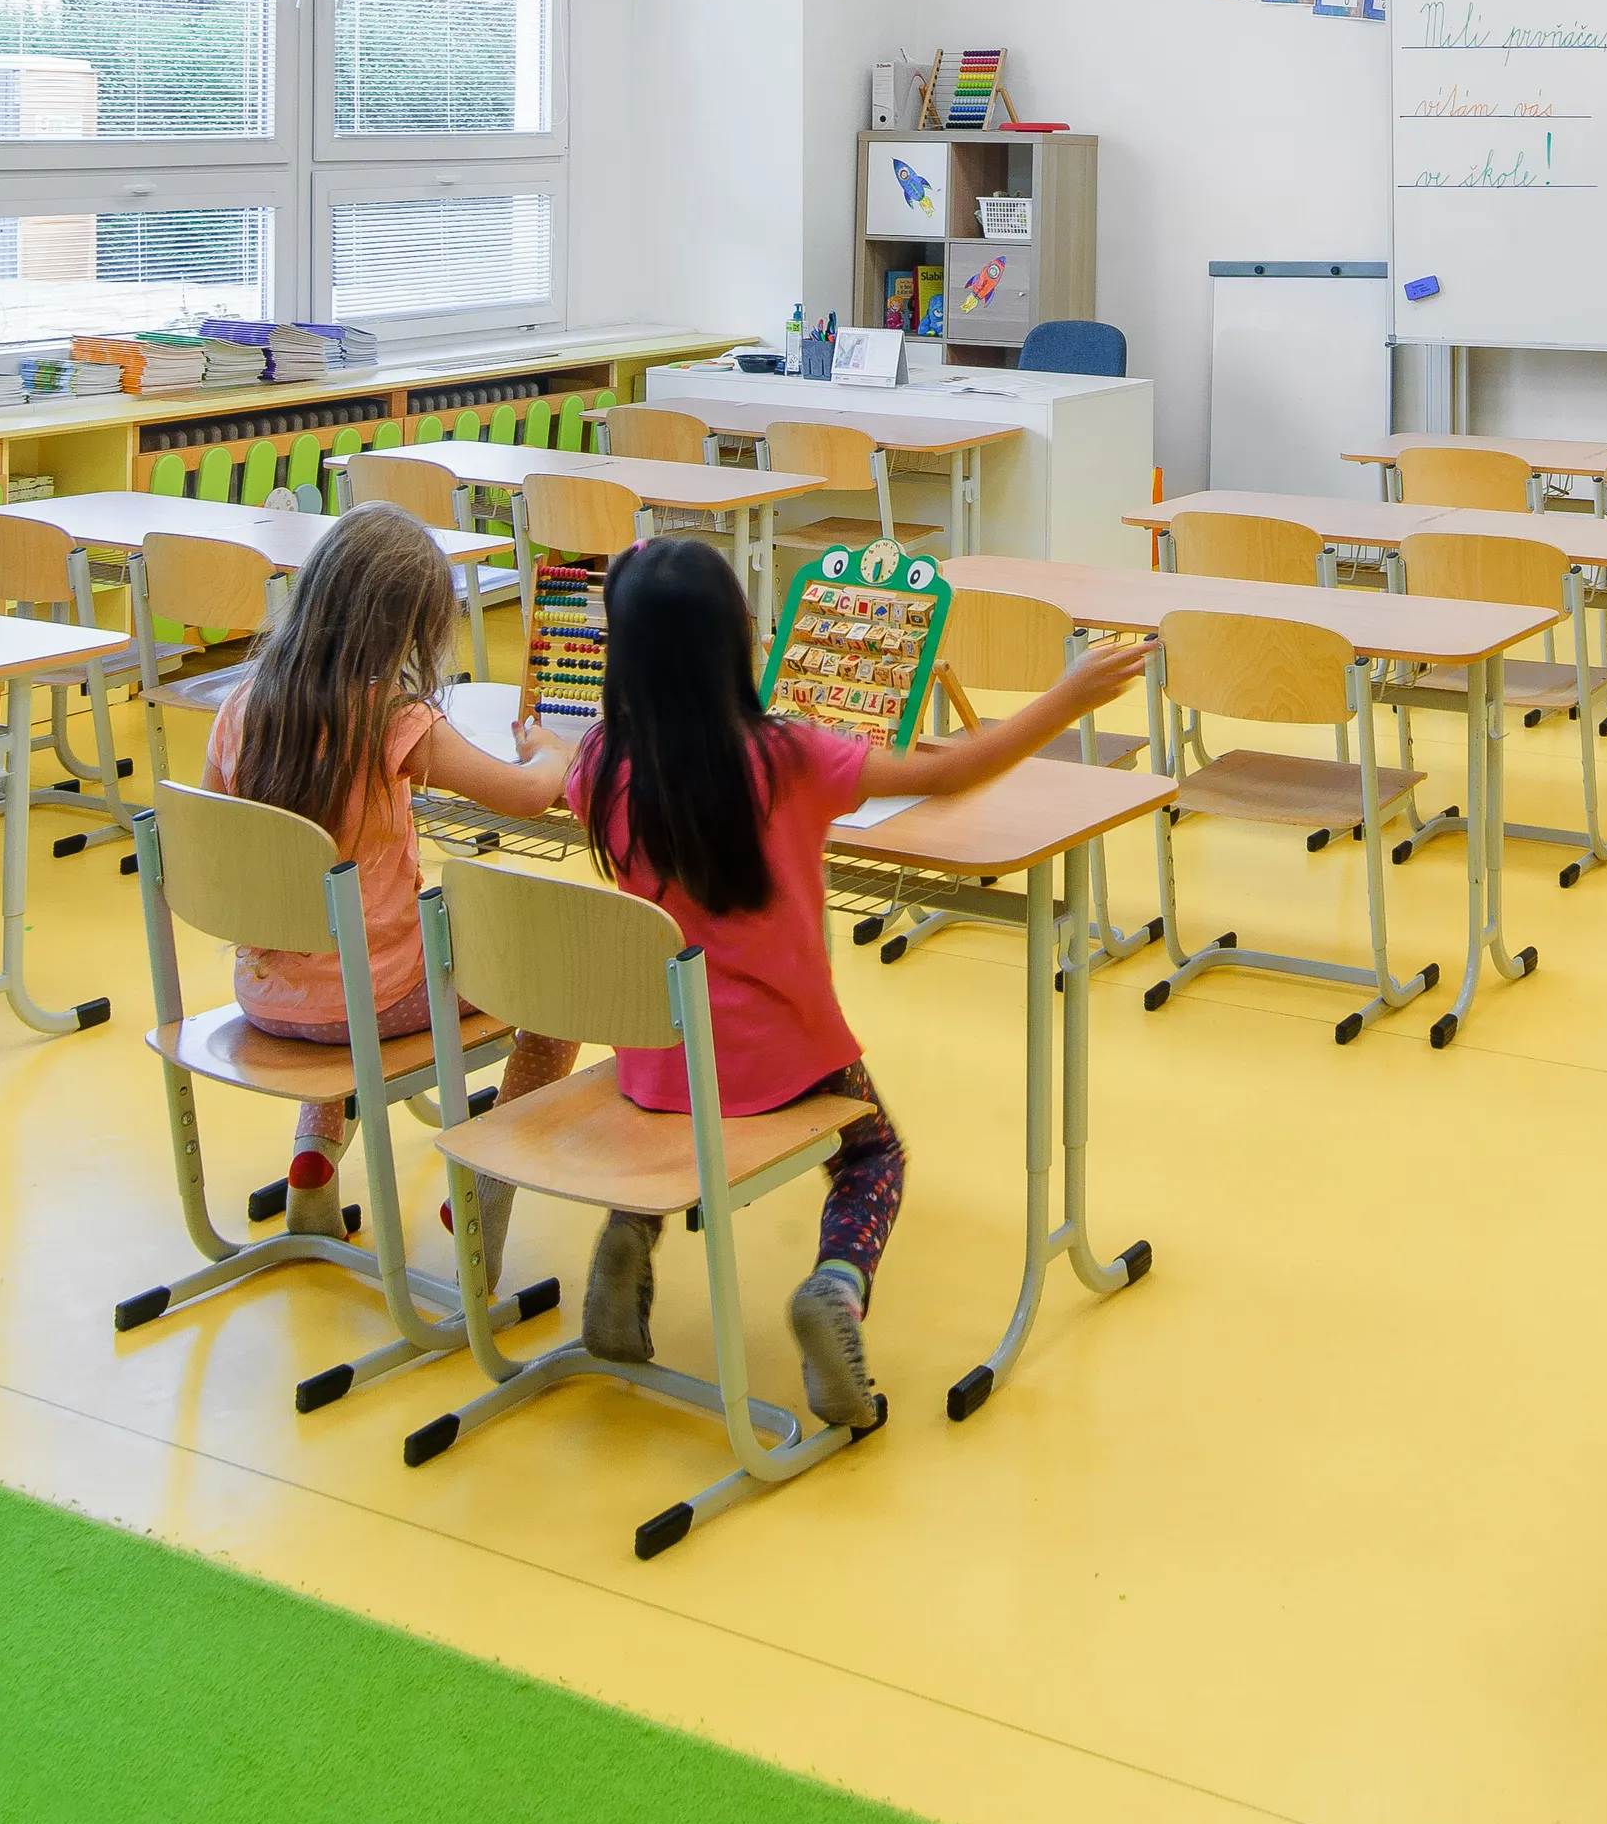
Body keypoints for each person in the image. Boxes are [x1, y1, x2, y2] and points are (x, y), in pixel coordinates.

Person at [568, 536, 1147, 1435]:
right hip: (787, 1064)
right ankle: (835, 1285)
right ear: (743, 639)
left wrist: (539, 734)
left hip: (657, 1068)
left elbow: (550, 770)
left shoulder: (597, 767)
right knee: (875, 1157)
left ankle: (631, 1230)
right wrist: (1063, 700)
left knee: (668, 1128)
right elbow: (947, 774)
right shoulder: (788, 757)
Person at [204, 507, 577, 1273]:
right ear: (400, 629)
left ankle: (313, 1162)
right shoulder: (391, 718)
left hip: (266, 992)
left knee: (336, 939)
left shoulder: (242, 705)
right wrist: (555, 753)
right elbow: (524, 796)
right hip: (370, 1006)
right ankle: (487, 1179)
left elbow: (210, 837)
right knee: (561, 989)